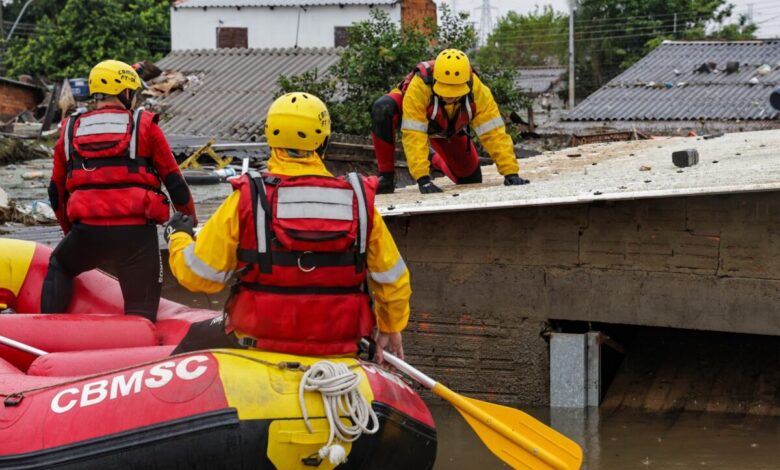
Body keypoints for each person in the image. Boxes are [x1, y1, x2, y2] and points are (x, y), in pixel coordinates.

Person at [165, 92, 409, 362]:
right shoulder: (359, 203)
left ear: (270, 139)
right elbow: (393, 279)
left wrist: (179, 237)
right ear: (324, 141)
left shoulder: (247, 198)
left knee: (191, 341)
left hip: (260, 348)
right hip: (340, 349)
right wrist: (390, 326)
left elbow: (201, 276)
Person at [43, 59, 197, 322]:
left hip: (86, 234)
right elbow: (176, 184)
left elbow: (56, 192)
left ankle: (44, 332)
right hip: (136, 238)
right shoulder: (145, 126)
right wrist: (188, 226)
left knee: (60, 265)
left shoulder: (69, 130)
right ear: (126, 93)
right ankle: (143, 346)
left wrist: (72, 233)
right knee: (141, 314)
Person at [371, 48, 530, 194]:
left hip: (449, 129)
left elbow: (494, 133)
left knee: (470, 180)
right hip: (413, 116)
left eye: (455, 92)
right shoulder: (420, 86)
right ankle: (386, 177)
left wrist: (511, 172)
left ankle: (432, 156)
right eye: (445, 90)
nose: (449, 96)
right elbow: (414, 134)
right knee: (382, 108)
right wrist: (423, 179)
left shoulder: (478, 90)